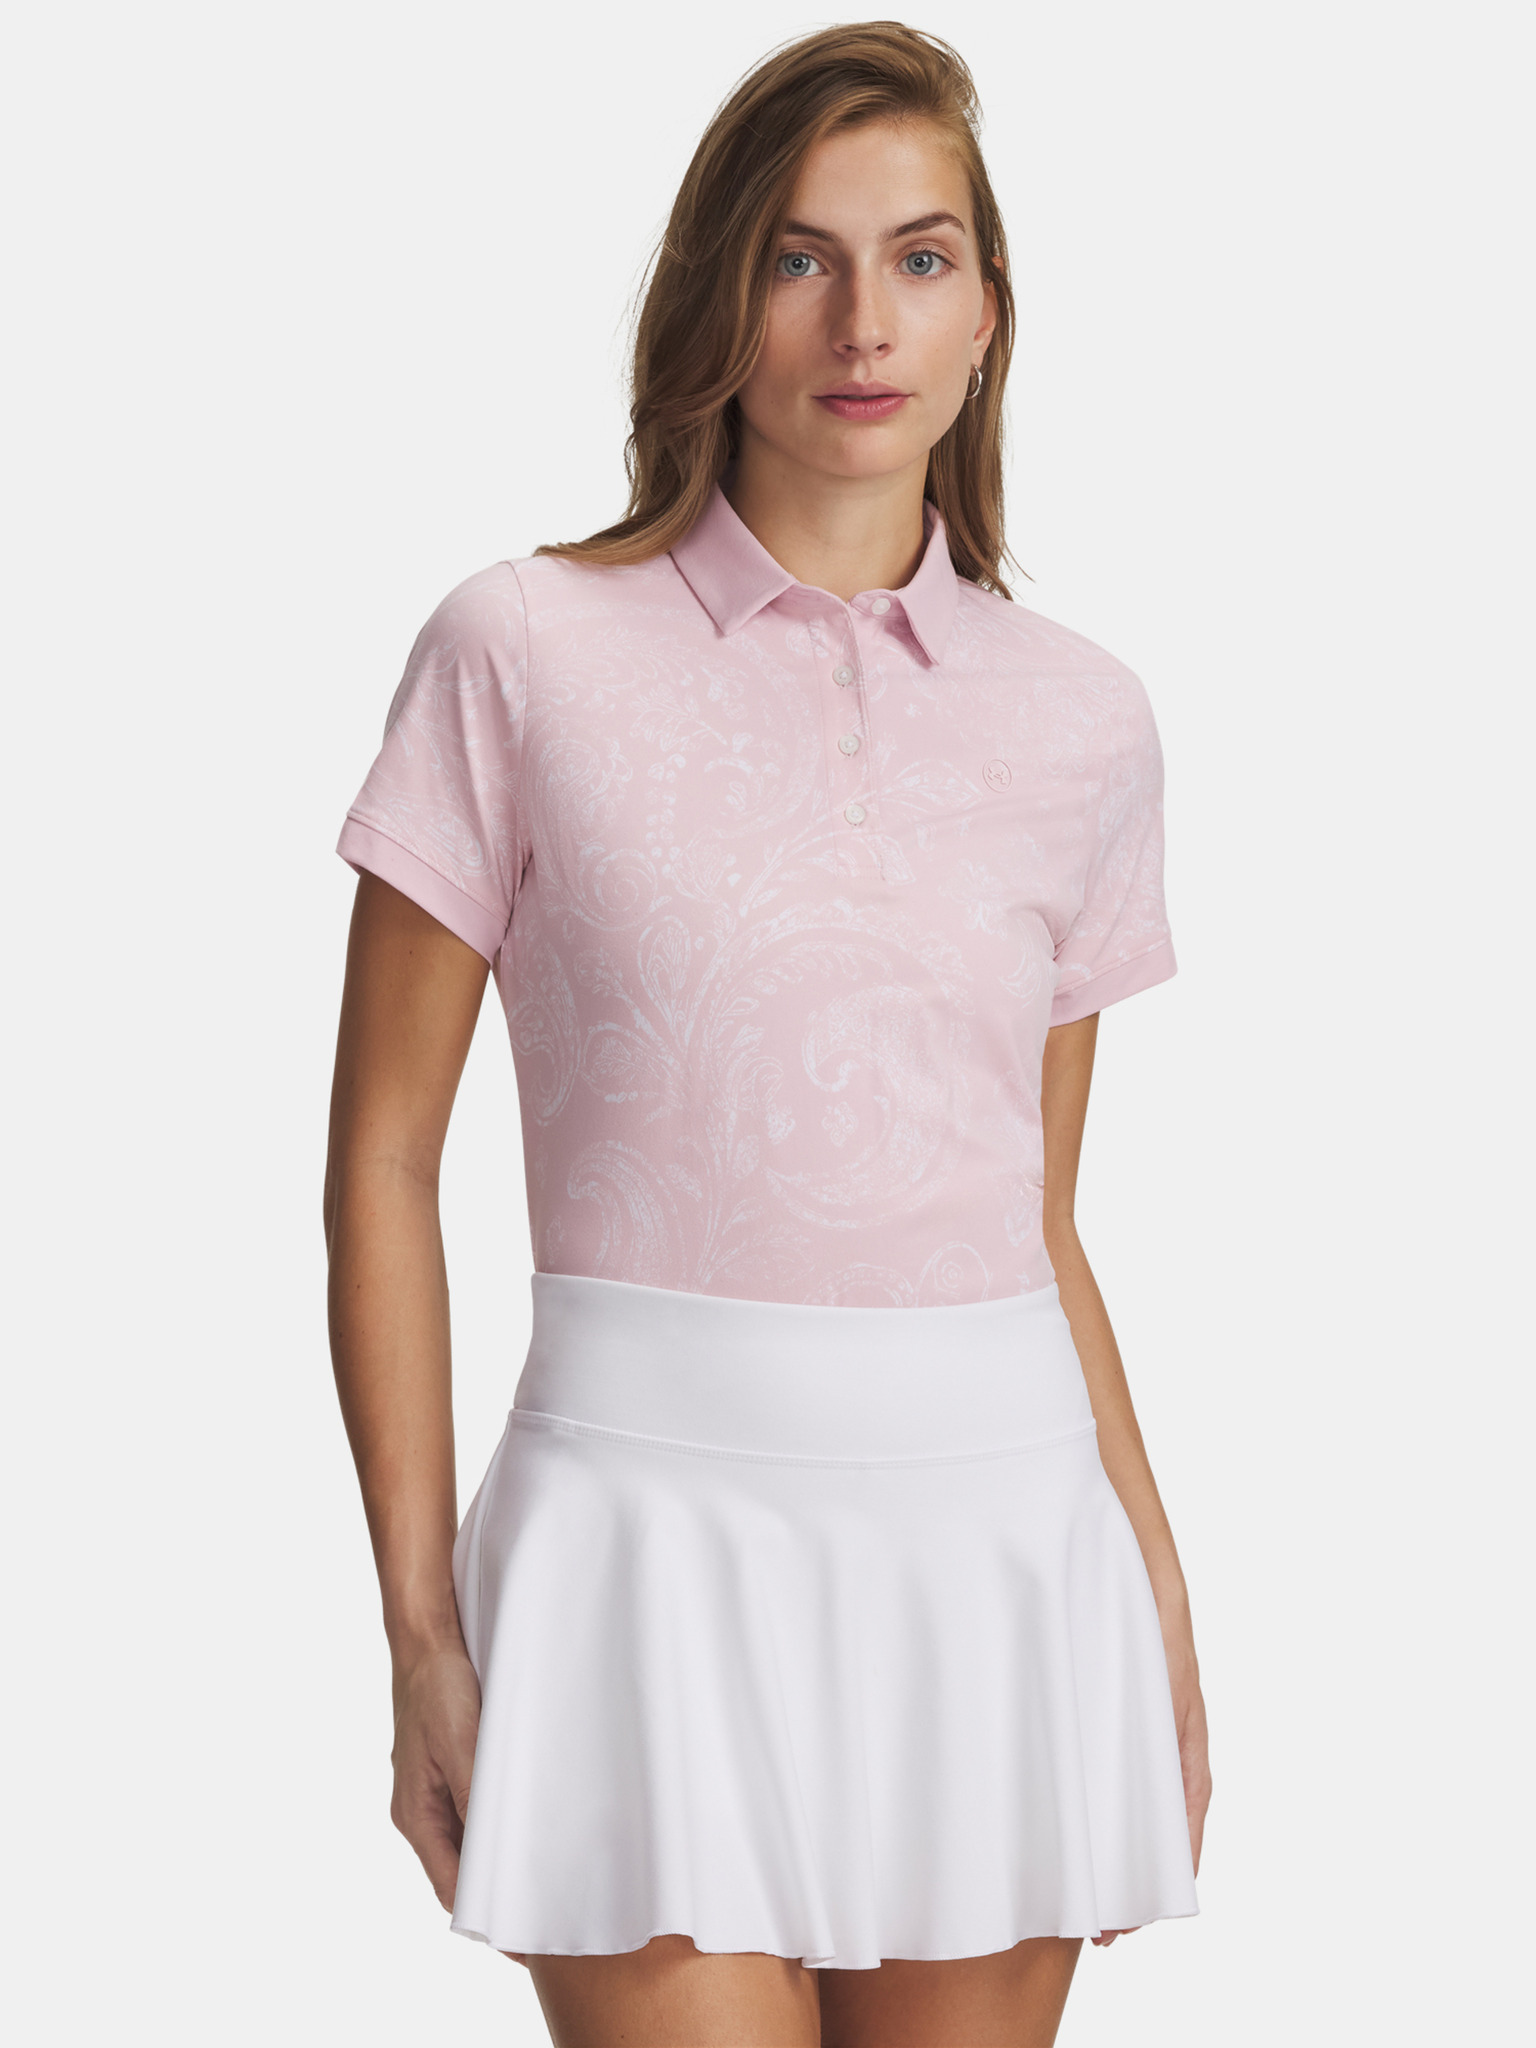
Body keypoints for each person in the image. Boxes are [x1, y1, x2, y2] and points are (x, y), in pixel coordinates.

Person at [324, 22, 1211, 2047]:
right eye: (800, 256)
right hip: (641, 1556)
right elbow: (383, 1157)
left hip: (1003, 1549)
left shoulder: (1087, 718)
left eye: (920, 257)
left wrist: (1152, 1590)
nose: (861, 320)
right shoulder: (519, 649)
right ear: (717, 292)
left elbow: (1036, 1216)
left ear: (989, 312)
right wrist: (419, 1632)